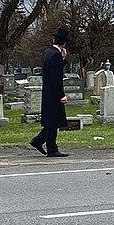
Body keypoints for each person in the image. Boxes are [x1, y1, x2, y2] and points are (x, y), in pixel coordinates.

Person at [30, 26, 70, 158]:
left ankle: (41, 142)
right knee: (54, 121)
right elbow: (56, 77)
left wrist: (63, 60)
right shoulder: (56, 55)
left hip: (47, 91)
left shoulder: (49, 52)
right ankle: (50, 147)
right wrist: (62, 95)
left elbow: (53, 71)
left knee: (51, 121)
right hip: (53, 93)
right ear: (64, 43)